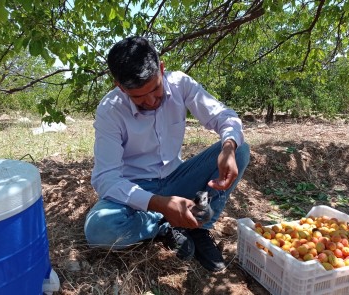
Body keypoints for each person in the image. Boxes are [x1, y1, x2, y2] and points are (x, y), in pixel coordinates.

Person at [84, 36, 250, 272]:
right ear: (120, 87)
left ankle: (199, 225)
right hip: (136, 191)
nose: (151, 101)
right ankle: (163, 224)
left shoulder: (180, 83)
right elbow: (106, 178)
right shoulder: (110, 109)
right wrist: (160, 205)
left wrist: (228, 147)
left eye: (155, 89)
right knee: (100, 230)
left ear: (162, 69)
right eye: (138, 97)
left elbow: (224, 117)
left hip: (177, 178)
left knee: (241, 149)